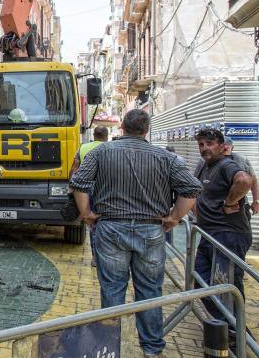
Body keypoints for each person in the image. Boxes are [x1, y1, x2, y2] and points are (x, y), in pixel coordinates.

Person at [71, 109, 201, 358]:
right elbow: (192, 189)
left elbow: (79, 183)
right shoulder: (166, 158)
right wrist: (174, 217)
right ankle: (151, 348)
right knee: (150, 290)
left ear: (122, 127)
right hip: (151, 230)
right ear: (147, 129)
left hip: (111, 228)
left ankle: (110, 346)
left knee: (112, 289)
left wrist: (86, 213)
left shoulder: (100, 152)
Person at [193, 129, 253, 342]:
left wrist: (229, 203)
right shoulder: (204, 166)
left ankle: (238, 336)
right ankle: (233, 328)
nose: (205, 148)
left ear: (221, 146)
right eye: (201, 144)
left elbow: (245, 180)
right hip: (209, 234)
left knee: (226, 287)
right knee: (200, 281)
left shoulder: (227, 165)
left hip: (228, 235)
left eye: (209, 144)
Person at [70, 126, 109, 267]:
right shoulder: (111, 148)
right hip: (106, 188)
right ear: (106, 136)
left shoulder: (83, 148)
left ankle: (95, 258)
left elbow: (74, 169)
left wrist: (72, 188)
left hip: (86, 189)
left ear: (94, 135)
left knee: (92, 222)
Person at [223, 136, 259, 216]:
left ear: (232, 148)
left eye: (226, 148)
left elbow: (253, 181)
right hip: (216, 205)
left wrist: (256, 201)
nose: (224, 151)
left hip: (240, 205)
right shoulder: (207, 161)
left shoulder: (241, 159)